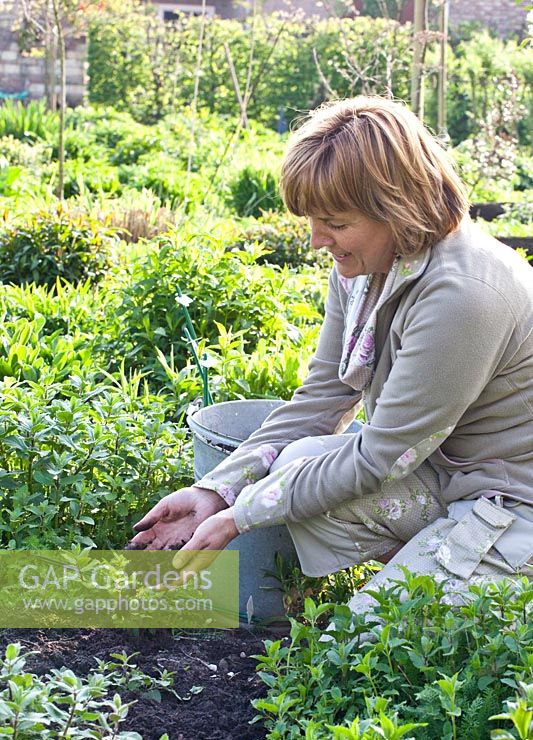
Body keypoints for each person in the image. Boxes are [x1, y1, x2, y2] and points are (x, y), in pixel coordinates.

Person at [127, 96, 533, 611]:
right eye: (314, 221)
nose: (318, 240)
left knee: (367, 647)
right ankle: (438, 571)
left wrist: (240, 515)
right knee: (296, 460)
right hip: (449, 473)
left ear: (397, 208)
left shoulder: (463, 296)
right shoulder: (369, 268)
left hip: (514, 501)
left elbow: (380, 457)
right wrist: (219, 489)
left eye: (336, 223)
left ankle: (482, 582)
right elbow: (322, 399)